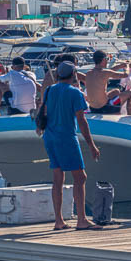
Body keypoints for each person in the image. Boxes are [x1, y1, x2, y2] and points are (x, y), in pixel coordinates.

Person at [40, 61, 101, 231]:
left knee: (58, 177)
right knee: (80, 177)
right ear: (74, 74)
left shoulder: (49, 90)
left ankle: (59, 221)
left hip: (49, 136)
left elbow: (44, 111)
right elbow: (82, 120)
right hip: (66, 137)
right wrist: (91, 145)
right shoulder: (75, 93)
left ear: (58, 74)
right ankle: (81, 219)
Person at [84, 50, 131, 114]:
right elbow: (125, 75)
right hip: (105, 108)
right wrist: (127, 67)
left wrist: (120, 66)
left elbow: (109, 71)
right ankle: (129, 114)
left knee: (116, 91)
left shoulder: (88, 73)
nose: (107, 61)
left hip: (93, 108)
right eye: (107, 59)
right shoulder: (105, 73)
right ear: (103, 59)